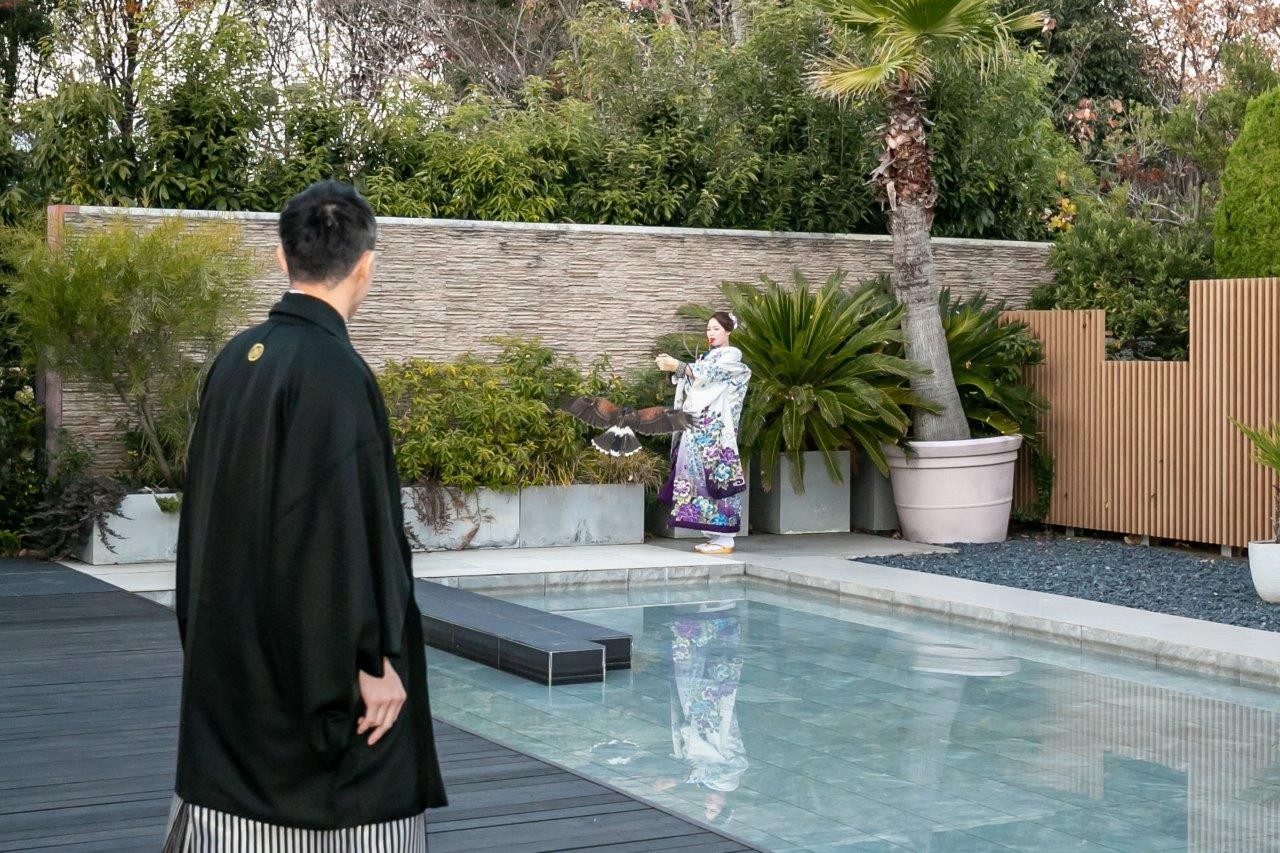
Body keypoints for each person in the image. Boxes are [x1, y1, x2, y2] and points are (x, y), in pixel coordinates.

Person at [164, 181, 446, 851]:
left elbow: (207, 522)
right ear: (366, 265)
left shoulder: (236, 359)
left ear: (281, 257)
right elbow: (339, 532)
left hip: (230, 685)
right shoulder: (337, 372)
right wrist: (368, 661)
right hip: (322, 724)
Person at [655, 312, 751, 555]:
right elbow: (698, 379)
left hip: (716, 429)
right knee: (697, 478)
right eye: (708, 329)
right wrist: (679, 371)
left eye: (716, 329)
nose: (711, 333)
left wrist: (680, 366)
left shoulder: (731, 356)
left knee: (718, 476)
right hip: (698, 428)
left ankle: (726, 537)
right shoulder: (707, 358)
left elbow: (711, 375)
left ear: (728, 331)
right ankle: (714, 534)